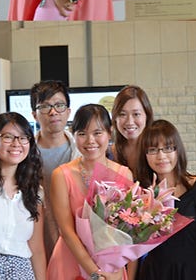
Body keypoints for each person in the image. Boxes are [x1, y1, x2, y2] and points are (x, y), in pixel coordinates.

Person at [47, 104, 132, 280]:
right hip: (70, 262)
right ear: (74, 135)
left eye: (97, 133)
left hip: (111, 268)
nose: (90, 140)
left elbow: (127, 229)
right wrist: (95, 272)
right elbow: (66, 230)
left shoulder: (124, 174)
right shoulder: (61, 175)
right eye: (82, 134)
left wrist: (111, 270)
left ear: (109, 133)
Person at [136, 120, 196, 280]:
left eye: (168, 148)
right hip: (153, 273)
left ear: (178, 150)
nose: (161, 156)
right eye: (153, 150)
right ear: (145, 155)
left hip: (191, 272)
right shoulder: (141, 192)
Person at [0, 112, 47, 279]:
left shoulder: (34, 191)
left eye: (23, 137)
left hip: (22, 271)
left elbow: (37, 248)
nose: (16, 143)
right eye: (8, 137)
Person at [30, 80, 80, 261]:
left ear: (68, 111)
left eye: (59, 105)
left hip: (78, 245)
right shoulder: (23, 156)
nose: (53, 112)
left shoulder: (82, 153)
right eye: (45, 107)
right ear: (34, 114)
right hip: (36, 245)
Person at [110, 85, 153, 175]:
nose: (129, 122)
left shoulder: (158, 151)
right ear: (115, 118)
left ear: (147, 116)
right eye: (122, 114)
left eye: (136, 114)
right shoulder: (109, 154)